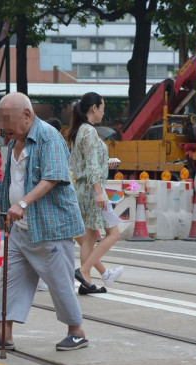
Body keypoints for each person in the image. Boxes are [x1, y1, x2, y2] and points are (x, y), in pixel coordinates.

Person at [0, 92, 89, 352]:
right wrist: (4, 214)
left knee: (59, 282)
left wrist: (22, 203)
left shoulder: (49, 137)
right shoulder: (14, 141)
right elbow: (11, 182)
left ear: (27, 115)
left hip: (50, 226)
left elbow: (54, 177)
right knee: (10, 279)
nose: (4, 130)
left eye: (8, 124)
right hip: (19, 227)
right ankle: (4, 333)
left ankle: (77, 331)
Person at [67, 92, 124, 295]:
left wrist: (106, 163)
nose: (103, 112)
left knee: (90, 237)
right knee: (114, 233)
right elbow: (91, 165)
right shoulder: (89, 132)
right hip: (93, 191)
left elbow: (82, 163)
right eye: (102, 108)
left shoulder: (78, 131)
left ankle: (86, 283)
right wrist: (99, 193)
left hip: (83, 189)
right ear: (94, 108)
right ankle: (83, 271)